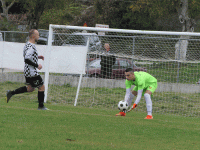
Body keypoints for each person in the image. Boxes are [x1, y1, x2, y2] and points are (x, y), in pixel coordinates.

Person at [6, 29, 49, 110]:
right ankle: (41, 106)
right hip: (31, 72)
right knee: (41, 87)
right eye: (38, 35)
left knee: (30, 88)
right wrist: (37, 65)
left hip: (27, 71)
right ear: (33, 36)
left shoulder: (27, 45)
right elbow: (26, 59)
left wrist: (38, 56)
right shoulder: (31, 46)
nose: (39, 36)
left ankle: (11, 93)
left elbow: (27, 55)